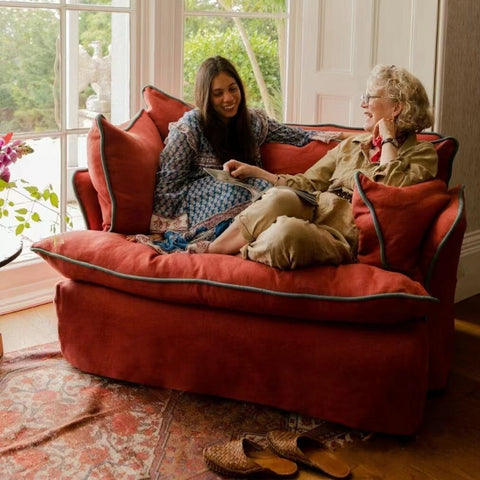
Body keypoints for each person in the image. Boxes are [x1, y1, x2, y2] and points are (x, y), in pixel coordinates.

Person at [188, 64, 438, 269]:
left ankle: (238, 252)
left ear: (396, 107)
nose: (363, 104)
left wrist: (388, 139)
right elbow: (307, 183)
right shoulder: (353, 144)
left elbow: (387, 191)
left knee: (285, 234)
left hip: (342, 232)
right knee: (279, 198)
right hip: (315, 205)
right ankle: (211, 251)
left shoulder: (423, 154)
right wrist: (257, 172)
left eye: (369, 98)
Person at [149, 56, 345, 252]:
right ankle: (217, 245)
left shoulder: (253, 121)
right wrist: (160, 229)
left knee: (276, 195)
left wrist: (351, 137)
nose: (228, 98)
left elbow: (300, 136)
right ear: (205, 96)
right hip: (197, 205)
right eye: (218, 93)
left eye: (232, 89)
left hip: (251, 196)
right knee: (263, 190)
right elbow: (169, 181)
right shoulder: (190, 127)